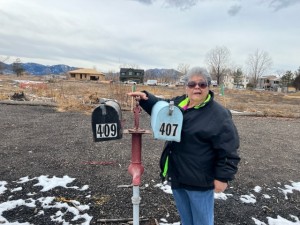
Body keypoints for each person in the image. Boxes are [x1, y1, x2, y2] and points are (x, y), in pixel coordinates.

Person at [128, 67, 240, 225]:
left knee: (202, 222)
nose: (197, 87)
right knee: (186, 220)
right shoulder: (181, 103)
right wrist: (146, 98)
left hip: (200, 181)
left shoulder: (219, 115)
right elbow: (163, 107)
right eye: (192, 84)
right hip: (178, 176)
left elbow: (229, 149)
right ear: (186, 86)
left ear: (208, 86)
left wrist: (222, 177)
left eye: (202, 84)